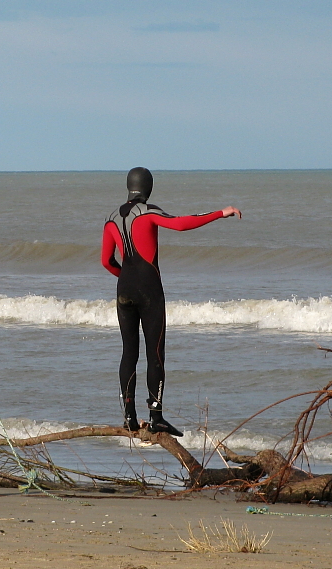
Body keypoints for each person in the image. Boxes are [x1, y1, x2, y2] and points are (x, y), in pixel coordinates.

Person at [101, 167, 241, 436]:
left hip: (123, 290)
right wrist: (220, 213)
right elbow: (180, 223)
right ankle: (156, 417)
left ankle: (129, 417)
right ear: (148, 188)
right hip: (149, 290)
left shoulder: (110, 219)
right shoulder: (148, 212)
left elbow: (106, 261)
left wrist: (127, 279)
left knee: (129, 353)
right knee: (155, 354)